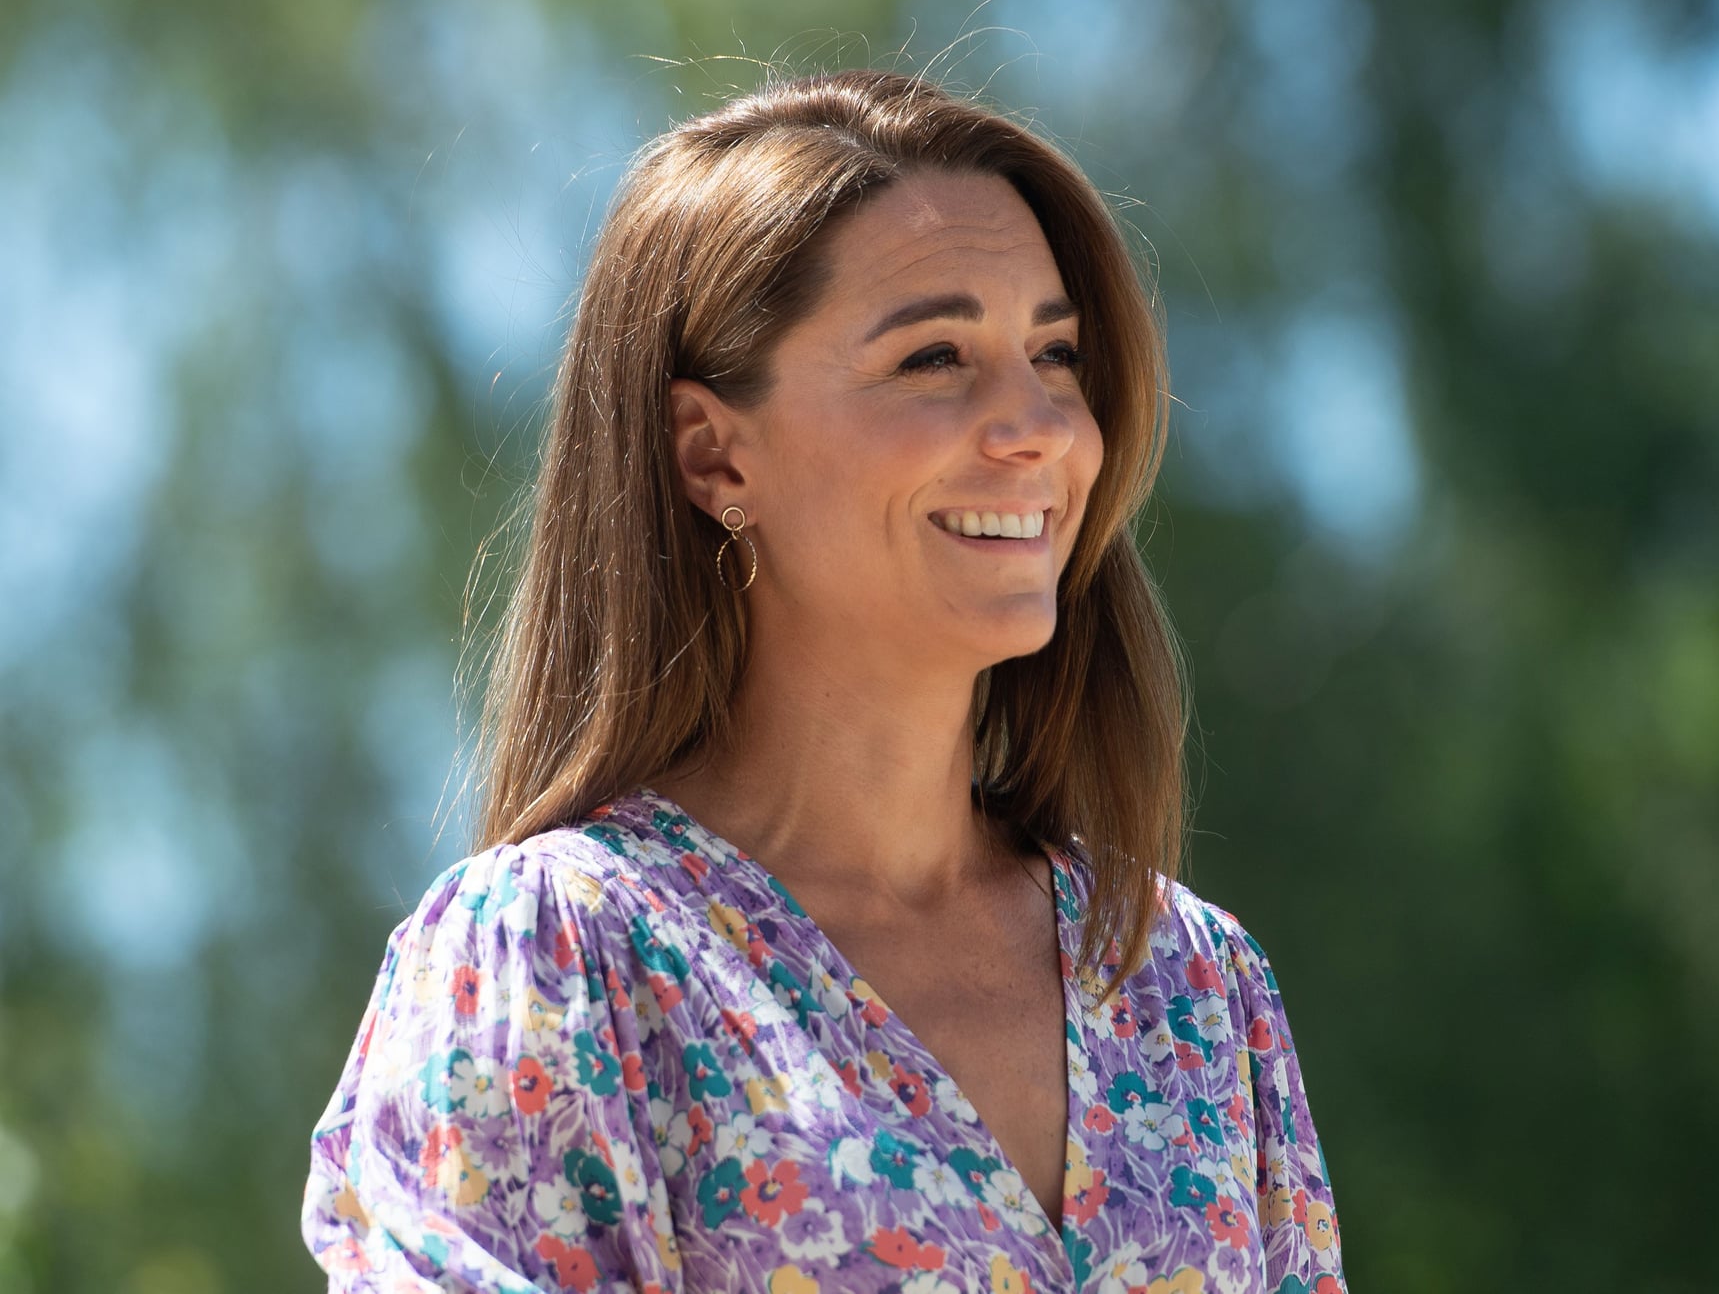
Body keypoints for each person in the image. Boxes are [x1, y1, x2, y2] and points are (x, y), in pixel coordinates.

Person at [301, 67, 1346, 1294]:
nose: (1039, 426)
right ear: (710, 452)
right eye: (933, 357)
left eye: (1053, 353)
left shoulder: (1188, 985)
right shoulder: (556, 959)